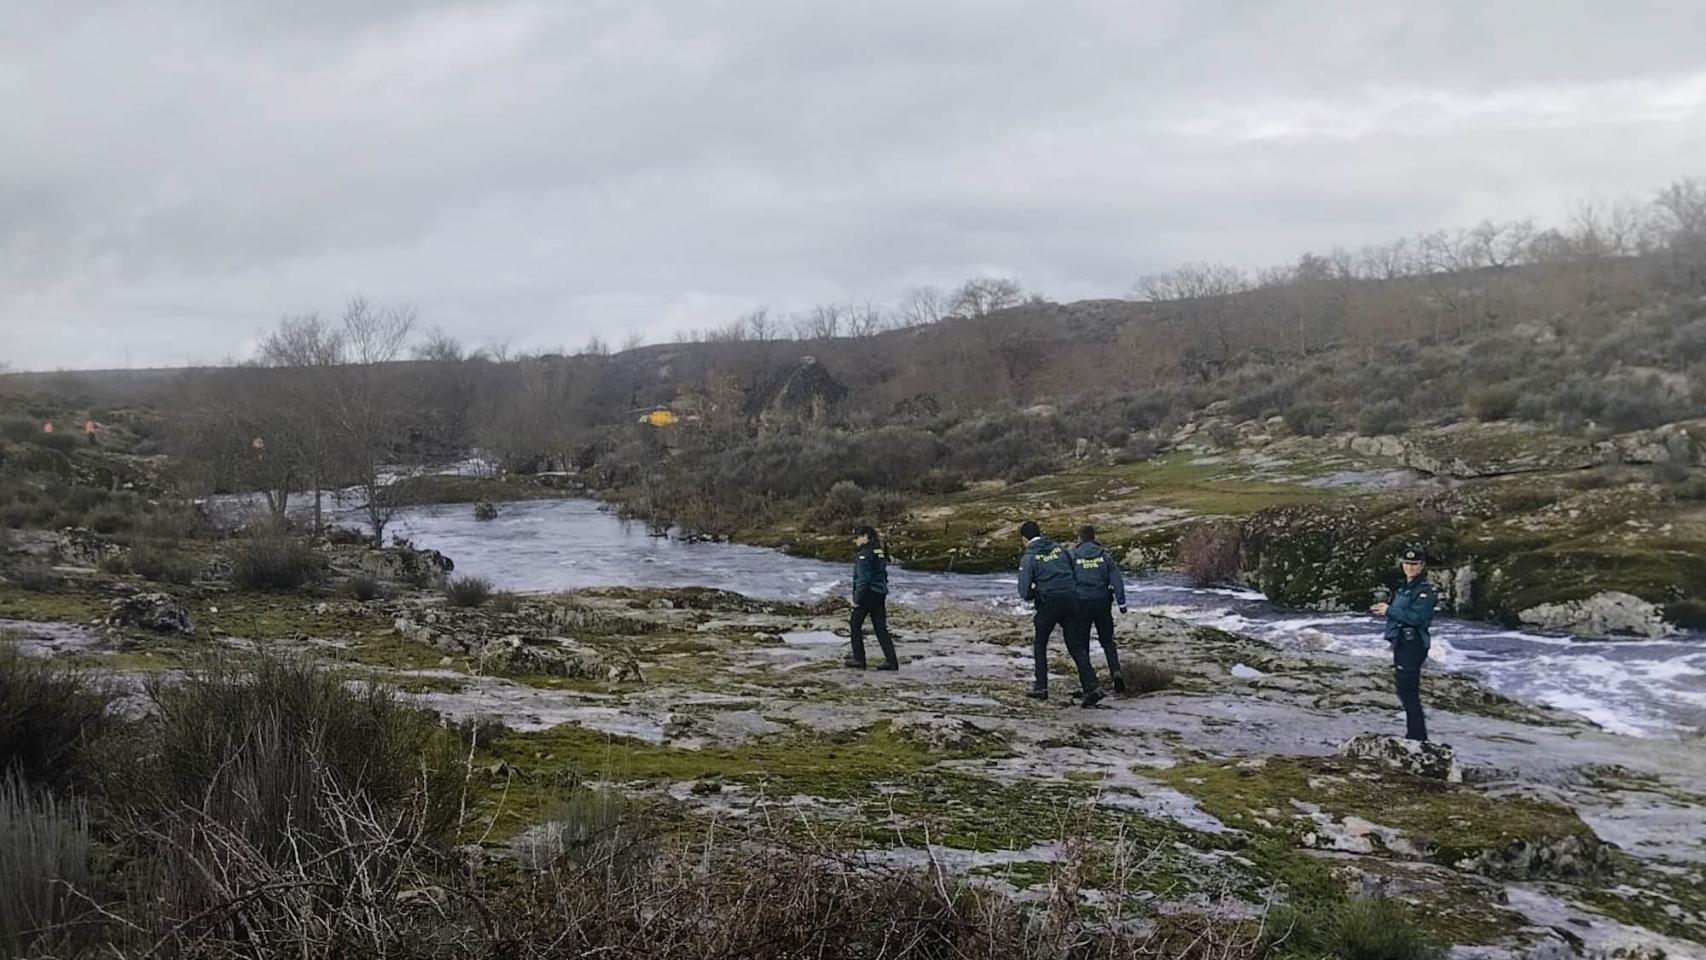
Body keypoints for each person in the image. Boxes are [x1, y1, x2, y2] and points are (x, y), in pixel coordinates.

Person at [1017, 520, 1103, 707]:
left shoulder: (1029, 557)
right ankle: (1092, 686)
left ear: (1024, 539)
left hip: (1049, 602)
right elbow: (1073, 568)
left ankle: (1041, 687)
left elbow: (1023, 591)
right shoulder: (1059, 549)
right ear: (1041, 533)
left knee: (1040, 643)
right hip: (1071, 599)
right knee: (1075, 645)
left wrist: (1035, 593)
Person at [1371, 545, 1436, 741]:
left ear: (1422, 566)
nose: (1410, 567)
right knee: (1403, 690)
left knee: (1408, 691)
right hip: (1401, 642)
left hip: (1413, 643)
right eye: (1407, 563)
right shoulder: (1403, 588)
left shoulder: (1424, 591)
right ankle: (1414, 734)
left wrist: (1389, 610)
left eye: (1414, 564)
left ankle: (1417, 736)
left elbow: (1417, 618)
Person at [1071, 525, 1128, 694]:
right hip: (1102, 602)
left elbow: (1066, 579)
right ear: (1094, 537)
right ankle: (1116, 672)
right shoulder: (1104, 556)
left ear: (1079, 538)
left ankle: (1089, 681)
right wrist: (1122, 603)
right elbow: (1117, 580)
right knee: (1108, 640)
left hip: (1081, 603)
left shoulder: (1073, 556)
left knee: (1082, 643)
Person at [845, 525, 899, 671]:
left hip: (868, 594)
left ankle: (859, 659)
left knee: (855, 625)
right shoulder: (879, 552)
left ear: (865, 537)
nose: (855, 540)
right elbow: (883, 574)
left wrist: (857, 599)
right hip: (880, 593)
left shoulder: (864, 554)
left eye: (857, 537)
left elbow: (863, 579)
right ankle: (892, 661)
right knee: (880, 628)